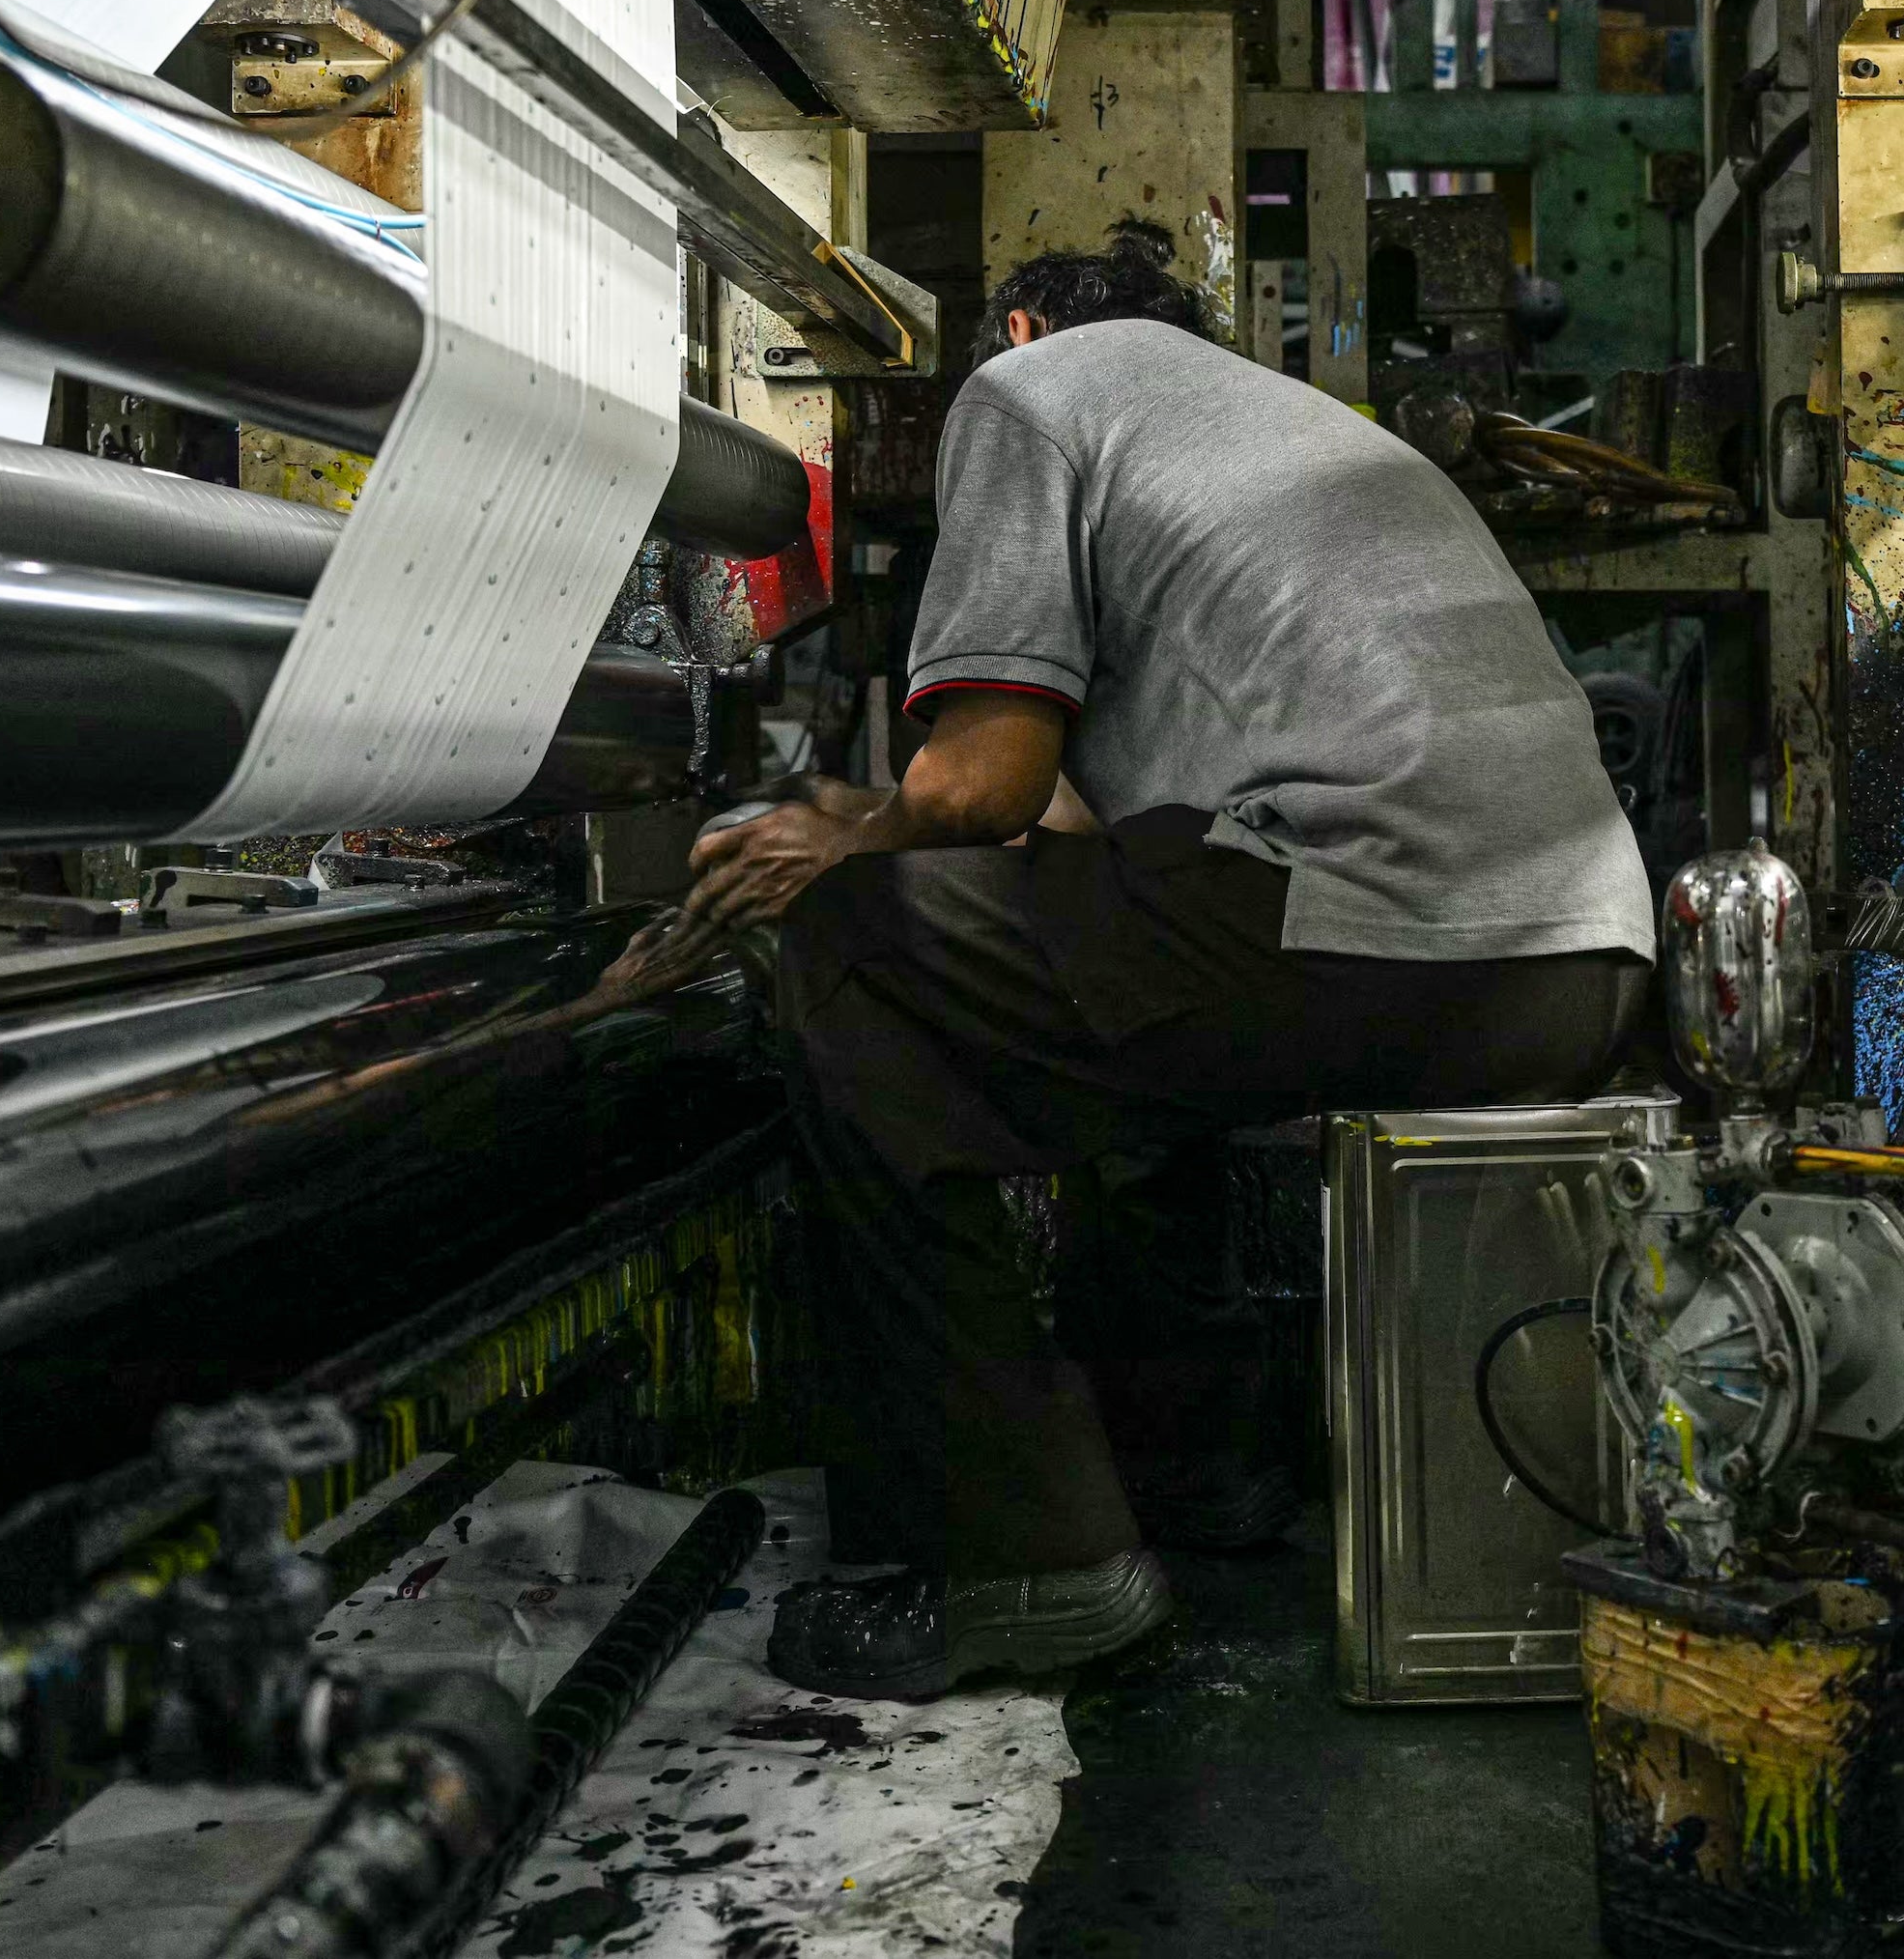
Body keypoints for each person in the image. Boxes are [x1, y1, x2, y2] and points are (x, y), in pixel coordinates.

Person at [669, 222, 1652, 1702]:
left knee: (863, 960)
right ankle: (1200, 1468)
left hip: (1380, 929)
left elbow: (984, 786)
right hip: (1576, 963)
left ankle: (1027, 1557)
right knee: (1116, 973)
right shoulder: (1282, 431)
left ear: (1015, 328)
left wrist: (837, 839)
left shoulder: (1031, 394)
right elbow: (1071, 844)